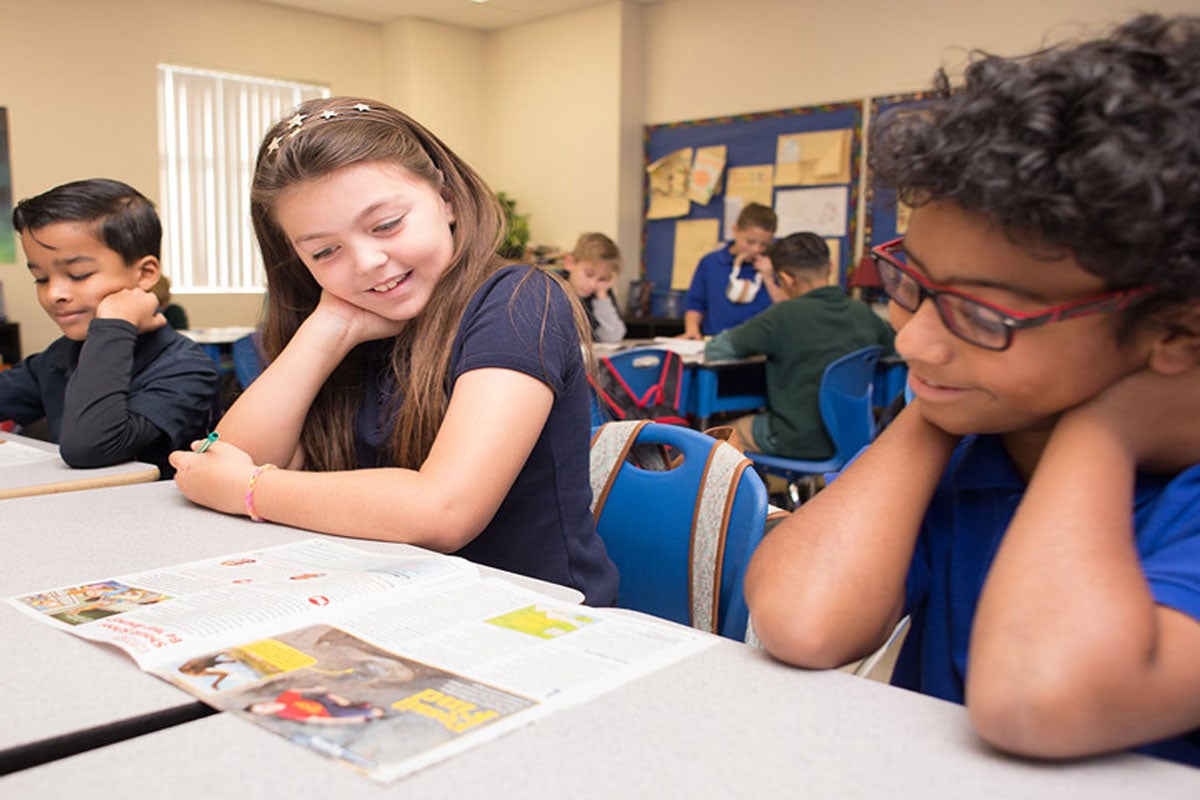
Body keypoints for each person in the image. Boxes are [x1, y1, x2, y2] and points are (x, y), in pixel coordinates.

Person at [744, 14, 1200, 767]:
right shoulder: (982, 436)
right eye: (909, 282)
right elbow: (802, 620)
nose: (912, 340)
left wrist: (1105, 431)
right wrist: (932, 413)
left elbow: (1036, 697)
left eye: (983, 311)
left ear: (1177, 333)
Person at [168, 97, 618, 607]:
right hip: (388, 602)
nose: (366, 262)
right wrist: (329, 327)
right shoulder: (355, 322)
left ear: (446, 201)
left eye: (386, 225)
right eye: (323, 252)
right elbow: (221, 460)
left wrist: (251, 490)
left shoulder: (518, 299)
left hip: (529, 616)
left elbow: (443, 512)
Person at [2, 179, 221, 476]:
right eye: (41, 278)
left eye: (78, 274)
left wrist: (114, 326)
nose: (54, 293)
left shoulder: (186, 370)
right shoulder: (61, 356)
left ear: (145, 273)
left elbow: (88, 447)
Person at [705, 232, 894, 459]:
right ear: (831, 266)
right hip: (855, 437)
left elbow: (716, 350)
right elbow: (896, 350)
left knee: (714, 435)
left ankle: (749, 492)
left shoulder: (782, 316)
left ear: (786, 279)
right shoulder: (863, 313)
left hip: (794, 438)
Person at [681, 203, 784, 339]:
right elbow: (695, 303)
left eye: (764, 244)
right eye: (750, 242)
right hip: (717, 342)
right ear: (735, 230)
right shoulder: (711, 263)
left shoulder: (775, 265)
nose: (756, 250)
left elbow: (786, 308)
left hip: (762, 344)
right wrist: (692, 330)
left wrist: (768, 278)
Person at [557, 232, 626, 343]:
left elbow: (613, 338)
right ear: (570, 263)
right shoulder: (552, 289)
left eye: (602, 279)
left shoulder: (600, 294)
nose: (593, 284)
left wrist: (602, 297)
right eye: (589, 274)